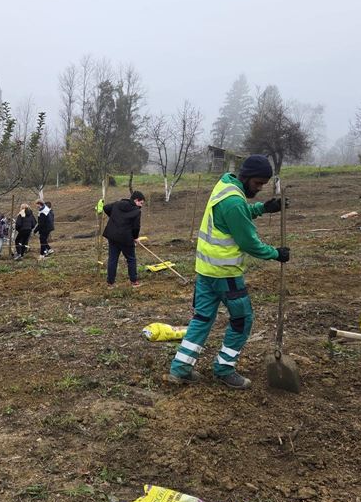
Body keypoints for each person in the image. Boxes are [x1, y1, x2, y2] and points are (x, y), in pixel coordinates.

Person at [168, 154, 290, 390]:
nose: (259, 187)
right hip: (226, 274)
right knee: (242, 320)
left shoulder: (224, 185)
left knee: (202, 318)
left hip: (206, 271)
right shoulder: (234, 201)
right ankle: (224, 369)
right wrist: (276, 253)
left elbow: (236, 213)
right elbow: (249, 242)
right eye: (257, 183)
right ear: (246, 177)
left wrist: (262, 208)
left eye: (263, 184)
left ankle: (180, 368)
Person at [103, 191, 145, 288]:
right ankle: (134, 282)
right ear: (136, 200)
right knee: (131, 259)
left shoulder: (118, 204)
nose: (141, 206)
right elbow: (136, 227)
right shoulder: (136, 211)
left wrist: (115, 218)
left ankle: (110, 283)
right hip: (126, 238)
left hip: (112, 236)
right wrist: (135, 238)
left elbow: (105, 208)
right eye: (141, 203)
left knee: (112, 259)